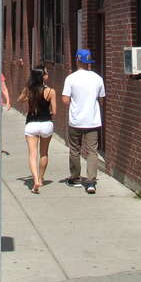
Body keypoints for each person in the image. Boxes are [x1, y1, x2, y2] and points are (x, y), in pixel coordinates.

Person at [61, 49, 105, 194]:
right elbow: (102, 99)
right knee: (92, 151)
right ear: (89, 62)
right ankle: (91, 182)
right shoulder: (98, 78)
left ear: (77, 60)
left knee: (75, 149)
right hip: (93, 121)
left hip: (76, 121)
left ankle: (75, 178)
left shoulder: (71, 78)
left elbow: (65, 100)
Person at [18, 65, 57, 194]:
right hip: (46, 124)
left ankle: (34, 179)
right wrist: (46, 112)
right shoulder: (51, 91)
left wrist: (28, 98)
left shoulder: (29, 89)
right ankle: (40, 178)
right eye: (46, 73)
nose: (47, 75)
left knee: (32, 154)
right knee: (44, 153)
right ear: (42, 77)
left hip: (32, 124)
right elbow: (54, 111)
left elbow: (19, 100)